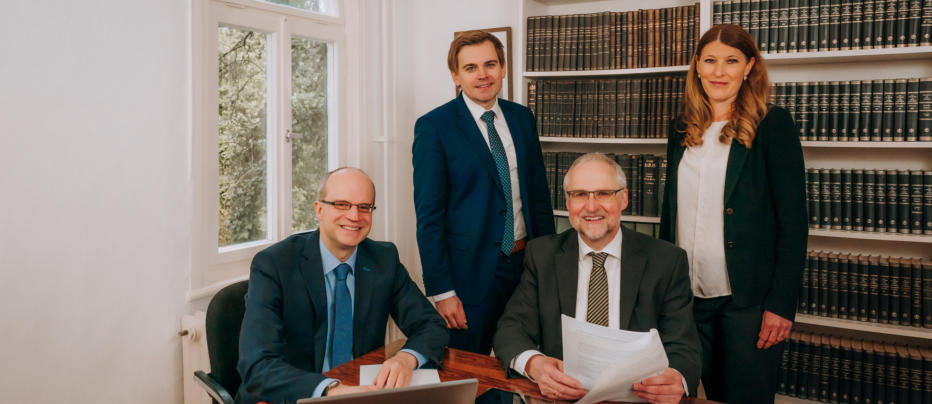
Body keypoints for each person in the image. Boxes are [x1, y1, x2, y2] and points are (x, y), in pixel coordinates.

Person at [658, 24, 808, 403]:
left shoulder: (773, 124)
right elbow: (669, 213)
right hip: (687, 298)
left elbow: (793, 223)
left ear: (749, 67)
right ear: (697, 65)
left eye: (731, 61)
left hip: (748, 301)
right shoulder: (681, 129)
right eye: (710, 61)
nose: (719, 72)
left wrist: (780, 305)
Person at [493, 153, 701, 404]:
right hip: (563, 397)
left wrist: (677, 378)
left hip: (635, 399)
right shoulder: (542, 255)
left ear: (624, 198)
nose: (591, 207)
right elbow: (511, 330)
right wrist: (535, 365)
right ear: (568, 202)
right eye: (580, 194)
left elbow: (684, 346)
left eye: (603, 193)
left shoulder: (667, 261)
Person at [236, 168, 448, 404]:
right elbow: (257, 365)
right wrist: (330, 389)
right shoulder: (274, 264)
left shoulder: (383, 260)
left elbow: (431, 324)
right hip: (292, 395)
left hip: (360, 391)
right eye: (342, 204)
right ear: (319, 210)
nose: (355, 216)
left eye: (364, 207)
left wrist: (406, 359)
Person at [412, 30, 554, 355]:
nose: (482, 75)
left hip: (525, 265)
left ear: (503, 68)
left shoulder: (522, 118)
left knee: (521, 359)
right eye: (470, 68)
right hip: (469, 275)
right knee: (466, 366)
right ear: (455, 76)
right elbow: (429, 216)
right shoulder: (434, 127)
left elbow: (539, 198)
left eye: (490, 64)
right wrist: (441, 291)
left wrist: (548, 265)